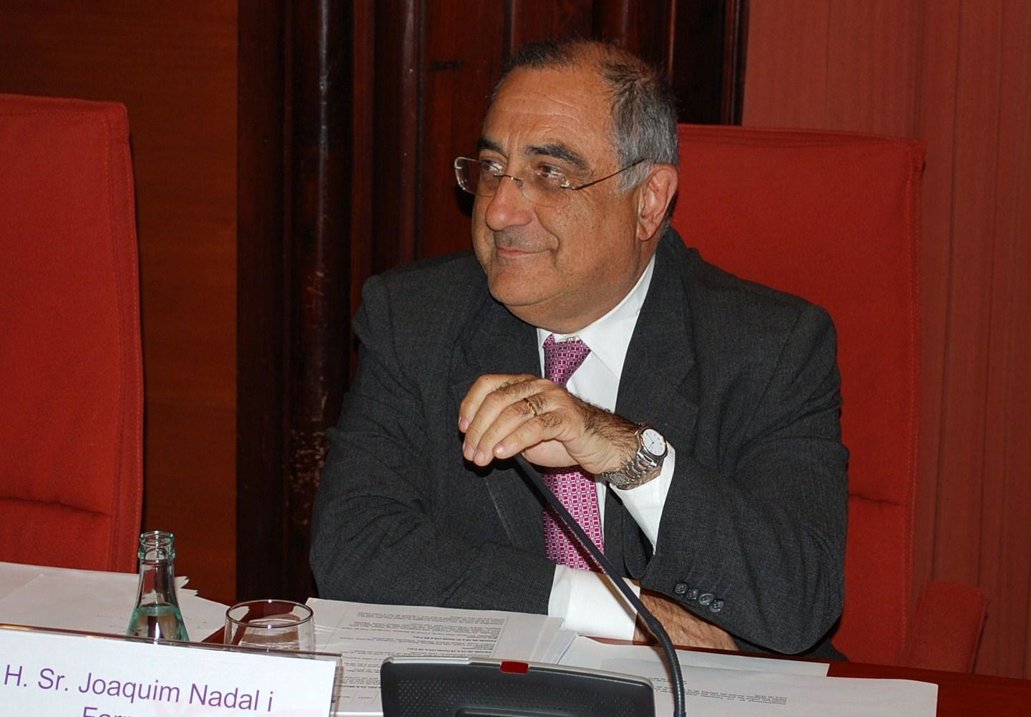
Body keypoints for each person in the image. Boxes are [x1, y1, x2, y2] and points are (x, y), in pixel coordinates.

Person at [310, 38, 848, 655]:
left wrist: (624, 451)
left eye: (550, 174)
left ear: (648, 201)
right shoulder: (413, 319)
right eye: (492, 168)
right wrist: (612, 609)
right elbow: (352, 547)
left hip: (707, 707)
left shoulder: (770, 346)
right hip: (496, 697)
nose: (500, 211)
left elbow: (797, 599)